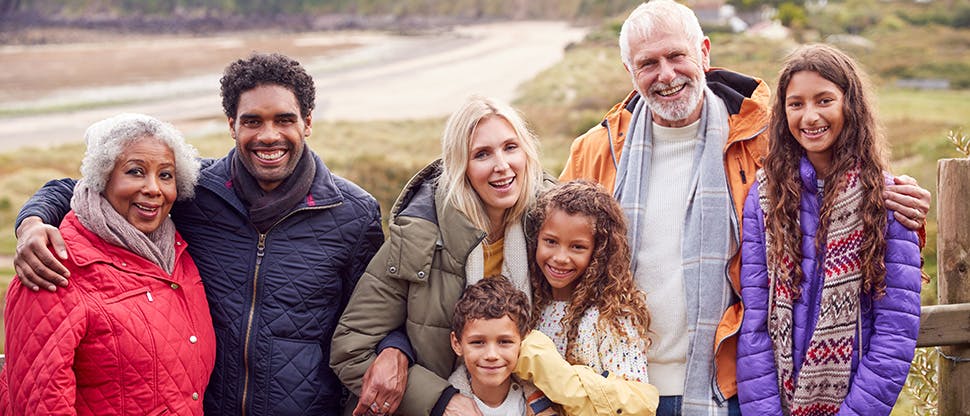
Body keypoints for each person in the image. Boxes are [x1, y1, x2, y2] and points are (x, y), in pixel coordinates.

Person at [558, 1, 931, 414]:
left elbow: (843, 190)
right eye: (648, 63)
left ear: (704, 51)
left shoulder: (765, 141)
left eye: (677, 55)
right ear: (629, 71)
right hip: (619, 387)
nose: (666, 74)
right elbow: (551, 243)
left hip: (728, 389)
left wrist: (900, 198)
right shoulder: (595, 151)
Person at [12, 53, 384, 415]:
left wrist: (396, 350)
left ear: (307, 122)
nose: (268, 136)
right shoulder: (194, 190)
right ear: (231, 125)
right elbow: (84, 188)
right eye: (252, 121)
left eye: (284, 120)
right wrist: (31, 223)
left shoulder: (353, 212)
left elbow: (378, 315)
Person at [330, 95, 552, 416]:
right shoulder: (420, 235)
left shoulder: (552, 227)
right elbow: (351, 346)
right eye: (482, 154)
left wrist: (544, 398)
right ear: (460, 166)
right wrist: (441, 401)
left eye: (510, 147)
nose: (501, 166)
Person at [736, 44, 922, 416]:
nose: (809, 116)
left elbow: (894, 335)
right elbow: (754, 324)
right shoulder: (764, 199)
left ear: (848, 105)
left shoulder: (889, 199)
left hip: (856, 402)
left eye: (824, 101)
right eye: (796, 103)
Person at [0, 113, 213, 415]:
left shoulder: (177, 252)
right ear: (102, 178)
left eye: (166, 175)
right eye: (135, 172)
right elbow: (40, 403)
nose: (154, 188)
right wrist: (31, 221)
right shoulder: (50, 264)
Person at [528, 180, 651, 383]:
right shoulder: (533, 306)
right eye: (551, 241)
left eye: (577, 247)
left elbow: (632, 399)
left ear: (599, 252)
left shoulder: (610, 318)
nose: (560, 257)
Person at [447, 277, 559, 416]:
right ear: (457, 344)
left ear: (523, 340)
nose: (491, 355)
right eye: (477, 342)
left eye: (504, 342)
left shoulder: (542, 402)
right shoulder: (447, 408)